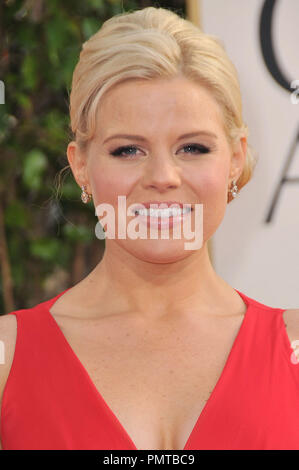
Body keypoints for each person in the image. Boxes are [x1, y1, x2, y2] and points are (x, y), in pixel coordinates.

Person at [0, 6, 299, 451]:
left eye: (193, 147)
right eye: (127, 151)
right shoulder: (8, 358)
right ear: (80, 165)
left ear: (235, 158)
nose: (163, 176)